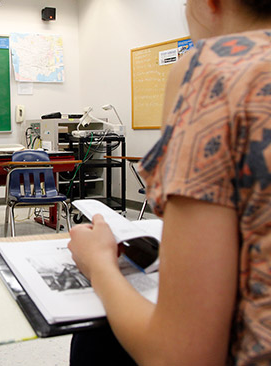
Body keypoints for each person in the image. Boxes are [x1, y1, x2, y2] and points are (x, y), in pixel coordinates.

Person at [67, 1, 271, 365]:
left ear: (210, 4)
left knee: (96, 340)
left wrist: (97, 262)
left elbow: (181, 355)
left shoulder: (212, 66)